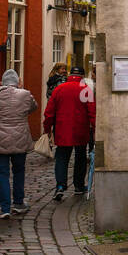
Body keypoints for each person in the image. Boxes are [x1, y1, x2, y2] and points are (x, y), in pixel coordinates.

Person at [0, 68, 37, 218]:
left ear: (2, 82)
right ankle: (18, 203)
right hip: (19, 138)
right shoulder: (25, 94)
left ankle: (5, 208)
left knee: (2, 173)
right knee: (19, 171)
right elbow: (33, 107)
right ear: (18, 81)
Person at [43, 65, 96, 201]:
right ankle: (78, 185)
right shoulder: (85, 90)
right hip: (80, 130)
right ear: (82, 76)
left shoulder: (59, 89)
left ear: (70, 75)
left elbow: (49, 112)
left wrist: (47, 129)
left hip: (62, 129)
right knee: (80, 157)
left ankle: (60, 186)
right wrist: (95, 129)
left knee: (61, 157)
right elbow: (92, 113)